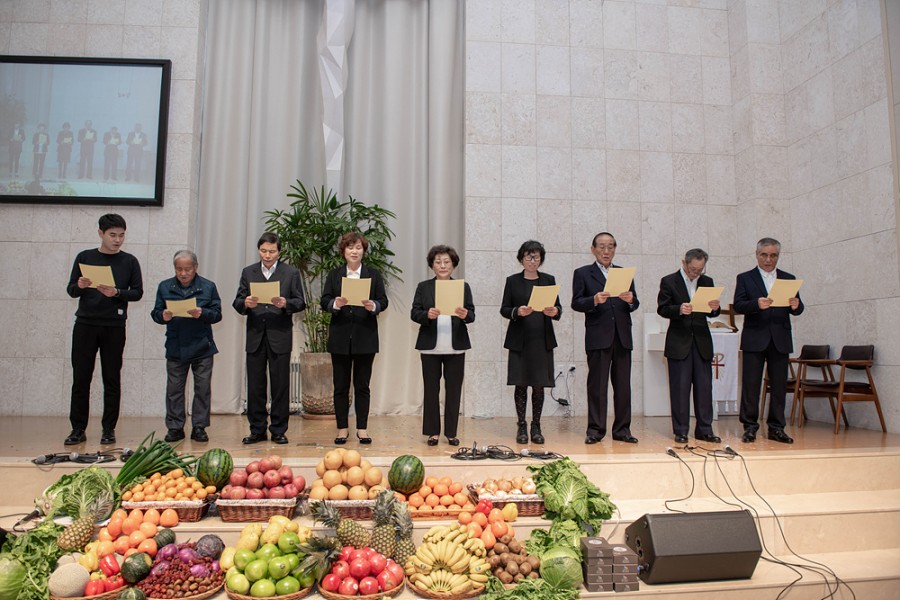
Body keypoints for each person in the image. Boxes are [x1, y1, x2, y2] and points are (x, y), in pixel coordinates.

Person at [65, 214, 143, 446]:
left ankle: (108, 429)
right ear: (100, 234)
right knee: (81, 378)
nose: (117, 240)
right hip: (86, 324)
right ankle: (77, 428)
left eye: (121, 235)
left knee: (111, 378)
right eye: (112, 235)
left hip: (114, 325)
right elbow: (71, 290)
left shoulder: (129, 261)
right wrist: (79, 285)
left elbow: (137, 292)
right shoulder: (85, 257)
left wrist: (117, 292)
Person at [233, 232, 305, 445]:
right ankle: (257, 430)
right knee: (255, 386)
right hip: (255, 336)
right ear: (259, 250)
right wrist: (245, 303)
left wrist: (286, 304)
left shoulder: (290, 273)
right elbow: (237, 302)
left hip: (279, 336)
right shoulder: (249, 272)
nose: (267, 255)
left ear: (279, 251)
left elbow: (300, 302)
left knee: (280, 385)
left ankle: (278, 430)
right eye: (263, 251)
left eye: (271, 251)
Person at [320, 232, 389, 445]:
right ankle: (342, 428)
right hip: (340, 338)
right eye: (350, 247)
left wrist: (373, 306)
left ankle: (362, 428)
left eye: (358, 247)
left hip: (365, 338)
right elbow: (324, 300)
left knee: (362, 386)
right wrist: (335, 304)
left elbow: (383, 301)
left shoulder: (373, 274)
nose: (354, 251)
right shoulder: (334, 274)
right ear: (343, 251)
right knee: (340, 386)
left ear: (363, 251)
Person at [734, 237, 804, 444]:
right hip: (755, 338)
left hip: (780, 339)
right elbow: (738, 305)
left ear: (778, 256)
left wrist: (795, 305)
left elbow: (799, 309)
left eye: (773, 255)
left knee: (779, 386)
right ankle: (750, 427)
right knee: (751, 385)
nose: (768, 259)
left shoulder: (788, 278)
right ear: (757, 255)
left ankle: (776, 428)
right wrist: (756, 304)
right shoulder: (745, 278)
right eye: (764, 255)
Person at [571, 232, 639, 444]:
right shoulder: (583, 273)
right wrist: (593, 300)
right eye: (601, 246)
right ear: (593, 249)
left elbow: (634, 304)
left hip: (622, 337)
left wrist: (630, 300)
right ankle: (595, 430)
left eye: (610, 246)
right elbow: (576, 303)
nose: (606, 251)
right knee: (597, 386)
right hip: (598, 337)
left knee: (623, 386)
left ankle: (622, 430)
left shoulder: (623, 273)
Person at [151, 250, 222, 443]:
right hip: (176, 345)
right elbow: (156, 312)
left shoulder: (208, 287)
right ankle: (175, 427)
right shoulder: (165, 286)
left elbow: (217, 314)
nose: (183, 273)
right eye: (179, 269)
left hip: (202, 346)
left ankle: (199, 427)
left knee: (202, 388)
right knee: (174, 389)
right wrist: (162, 316)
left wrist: (202, 313)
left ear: (195, 267)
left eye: (187, 269)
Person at [411, 245, 475, 446]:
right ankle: (432, 432)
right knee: (431, 390)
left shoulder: (462, 287)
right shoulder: (424, 287)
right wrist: (426, 315)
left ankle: (451, 432)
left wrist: (466, 315)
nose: (442, 265)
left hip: (456, 347)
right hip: (430, 347)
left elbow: (472, 314)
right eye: (438, 261)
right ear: (432, 265)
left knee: (454, 390)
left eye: (446, 261)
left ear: (453, 264)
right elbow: (414, 313)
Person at [657, 248, 722, 444]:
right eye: (693, 269)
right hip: (679, 342)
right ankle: (681, 430)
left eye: (699, 270)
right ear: (684, 263)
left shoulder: (707, 282)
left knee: (704, 388)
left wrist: (714, 309)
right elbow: (662, 308)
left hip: (701, 341)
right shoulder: (669, 281)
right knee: (680, 388)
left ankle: (704, 429)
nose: (696, 273)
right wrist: (679, 309)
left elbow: (711, 314)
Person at [500, 240, 561, 445]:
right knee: (521, 383)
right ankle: (521, 425)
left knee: (538, 385)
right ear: (521, 259)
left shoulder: (549, 280)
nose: (532, 260)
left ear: (541, 259)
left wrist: (554, 311)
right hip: (520, 340)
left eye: (536, 257)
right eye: (528, 256)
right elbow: (504, 309)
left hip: (541, 340)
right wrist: (517, 311)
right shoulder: (512, 281)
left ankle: (536, 425)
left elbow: (558, 308)